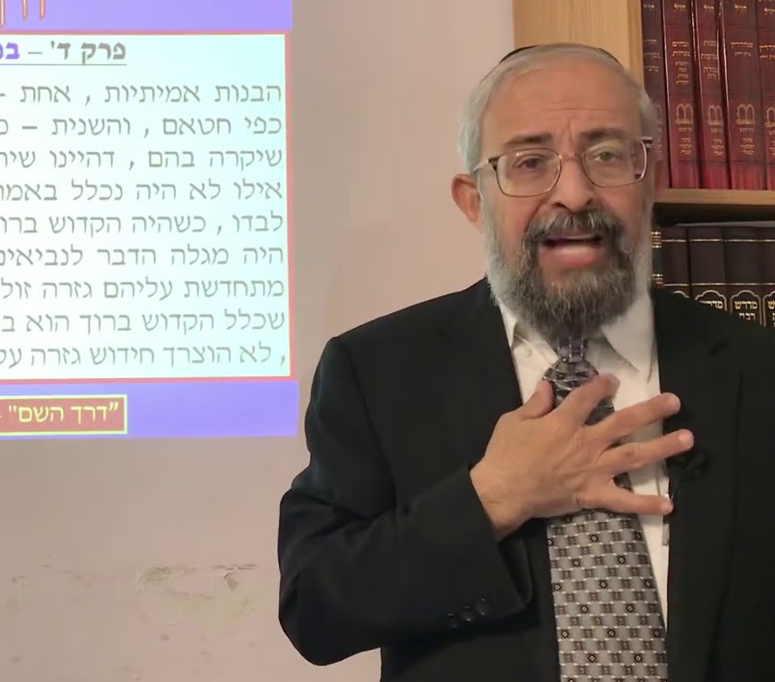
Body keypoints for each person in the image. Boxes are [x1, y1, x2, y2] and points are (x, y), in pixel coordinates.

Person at [276, 42, 775, 682]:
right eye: (530, 162)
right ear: (473, 201)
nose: (575, 194)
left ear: (649, 180)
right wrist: (490, 499)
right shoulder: (377, 371)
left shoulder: (758, 369)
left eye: (606, 155)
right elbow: (315, 608)